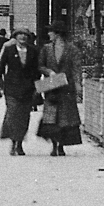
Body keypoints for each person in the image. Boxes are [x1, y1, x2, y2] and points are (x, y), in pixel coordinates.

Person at [35, 24, 83, 155]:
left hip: (67, 88)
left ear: (58, 34)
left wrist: (78, 85)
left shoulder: (72, 49)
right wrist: (49, 71)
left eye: (51, 32)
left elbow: (76, 68)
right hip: (51, 87)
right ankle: (54, 145)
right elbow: (40, 65)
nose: (49, 35)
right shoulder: (46, 49)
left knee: (65, 119)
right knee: (51, 118)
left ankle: (61, 145)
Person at [0, 29, 41, 155]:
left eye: (25, 35)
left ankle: (19, 143)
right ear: (15, 37)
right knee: (13, 113)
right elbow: (1, 68)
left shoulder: (33, 51)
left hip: (28, 89)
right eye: (20, 35)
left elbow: (37, 71)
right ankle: (13, 142)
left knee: (24, 116)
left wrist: (37, 88)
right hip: (11, 88)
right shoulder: (9, 50)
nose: (23, 37)